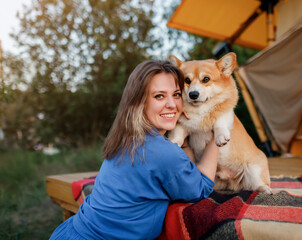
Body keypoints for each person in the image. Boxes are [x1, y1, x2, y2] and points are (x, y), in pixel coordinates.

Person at [49, 59, 219, 240]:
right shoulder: (161, 152)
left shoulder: (125, 136)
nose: (172, 104)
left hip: (70, 232)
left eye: (176, 94)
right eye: (159, 96)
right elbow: (201, 188)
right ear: (139, 101)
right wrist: (217, 134)